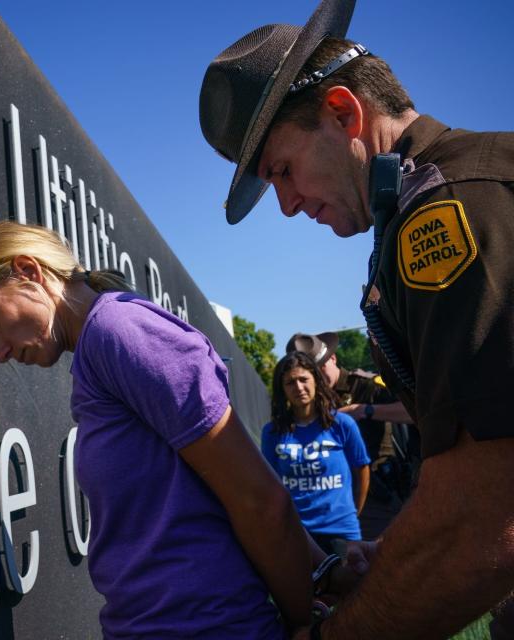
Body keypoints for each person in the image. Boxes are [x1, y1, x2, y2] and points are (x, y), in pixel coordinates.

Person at [199, 0, 514, 636]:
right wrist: (398, 554)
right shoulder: (442, 196)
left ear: (343, 112)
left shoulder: (444, 215)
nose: (285, 206)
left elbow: (486, 515)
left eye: (282, 172)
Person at [0, 221, 317, 638]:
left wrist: (304, 620)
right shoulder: (97, 349)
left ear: (29, 271)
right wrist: (326, 569)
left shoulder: (118, 332)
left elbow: (259, 501)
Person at [286, 331, 418, 540]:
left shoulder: (366, 386)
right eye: (311, 373)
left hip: (376, 491)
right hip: (329, 496)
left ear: (333, 358)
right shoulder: (305, 402)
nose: (318, 377)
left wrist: (364, 410)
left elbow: (414, 412)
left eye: (322, 367)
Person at [262, 352, 370, 555]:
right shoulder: (272, 432)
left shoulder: (342, 424)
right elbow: (269, 483)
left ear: (315, 380)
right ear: (282, 389)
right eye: (290, 383)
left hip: (342, 533)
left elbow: (362, 470)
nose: (299, 387)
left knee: (352, 586)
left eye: (303, 379)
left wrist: (354, 512)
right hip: (295, 534)